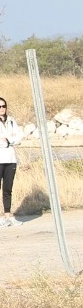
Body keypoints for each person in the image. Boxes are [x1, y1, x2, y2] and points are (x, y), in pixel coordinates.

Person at [0, 97, 23, 226]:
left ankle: (8, 215)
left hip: (10, 158)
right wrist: (9, 139)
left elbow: (18, 138)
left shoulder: (11, 121)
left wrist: (8, 139)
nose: (2, 109)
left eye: (4, 106)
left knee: (8, 188)